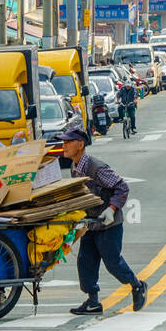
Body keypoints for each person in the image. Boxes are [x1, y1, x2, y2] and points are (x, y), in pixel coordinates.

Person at [61, 128, 148, 315]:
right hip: (91, 223)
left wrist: (112, 209)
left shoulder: (96, 167)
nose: (64, 145)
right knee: (85, 261)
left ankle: (137, 285)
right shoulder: (75, 167)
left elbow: (122, 187)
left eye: (68, 142)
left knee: (113, 263)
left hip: (109, 224)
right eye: (64, 142)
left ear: (80, 144)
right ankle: (93, 302)